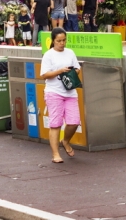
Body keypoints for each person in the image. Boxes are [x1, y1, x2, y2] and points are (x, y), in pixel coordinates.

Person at [39, 28, 81, 164]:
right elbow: (44, 74)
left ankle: (66, 141)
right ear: (53, 41)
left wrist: (73, 73)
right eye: (59, 41)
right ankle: (55, 154)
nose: (62, 43)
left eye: (64, 40)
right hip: (53, 92)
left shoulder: (70, 53)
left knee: (74, 122)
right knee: (55, 124)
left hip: (70, 92)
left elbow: (77, 68)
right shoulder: (48, 55)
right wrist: (60, 71)